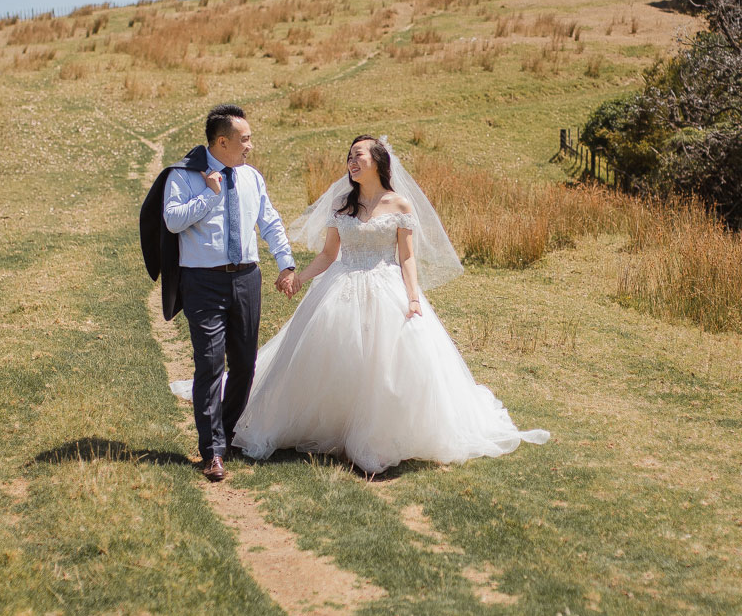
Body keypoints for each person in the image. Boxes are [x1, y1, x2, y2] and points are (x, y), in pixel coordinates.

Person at [224, 134, 549, 476]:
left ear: (377, 161)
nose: (351, 160)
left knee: (384, 364)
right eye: (349, 155)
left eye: (359, 155)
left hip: (386, 287)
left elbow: (407, 258)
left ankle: (379, 433)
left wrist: (412, 297)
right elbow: (327, 254)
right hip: (341, 287)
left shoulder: (399, 205)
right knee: (339, 356)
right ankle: (331, 426)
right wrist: (299, 278)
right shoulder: (341, 204)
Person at [160, 104, 298, 481]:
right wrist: (208, 195)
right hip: (202, 281)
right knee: (209, 363)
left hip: (246, 280)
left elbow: (268, 221)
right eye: (245, 139)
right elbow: (172, 220)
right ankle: (212, 451)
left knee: (245, 363)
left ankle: (227, 432)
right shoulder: (185, 176)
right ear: (222, 141)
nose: (250, 145)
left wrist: (285, 262)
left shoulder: (252, 177)